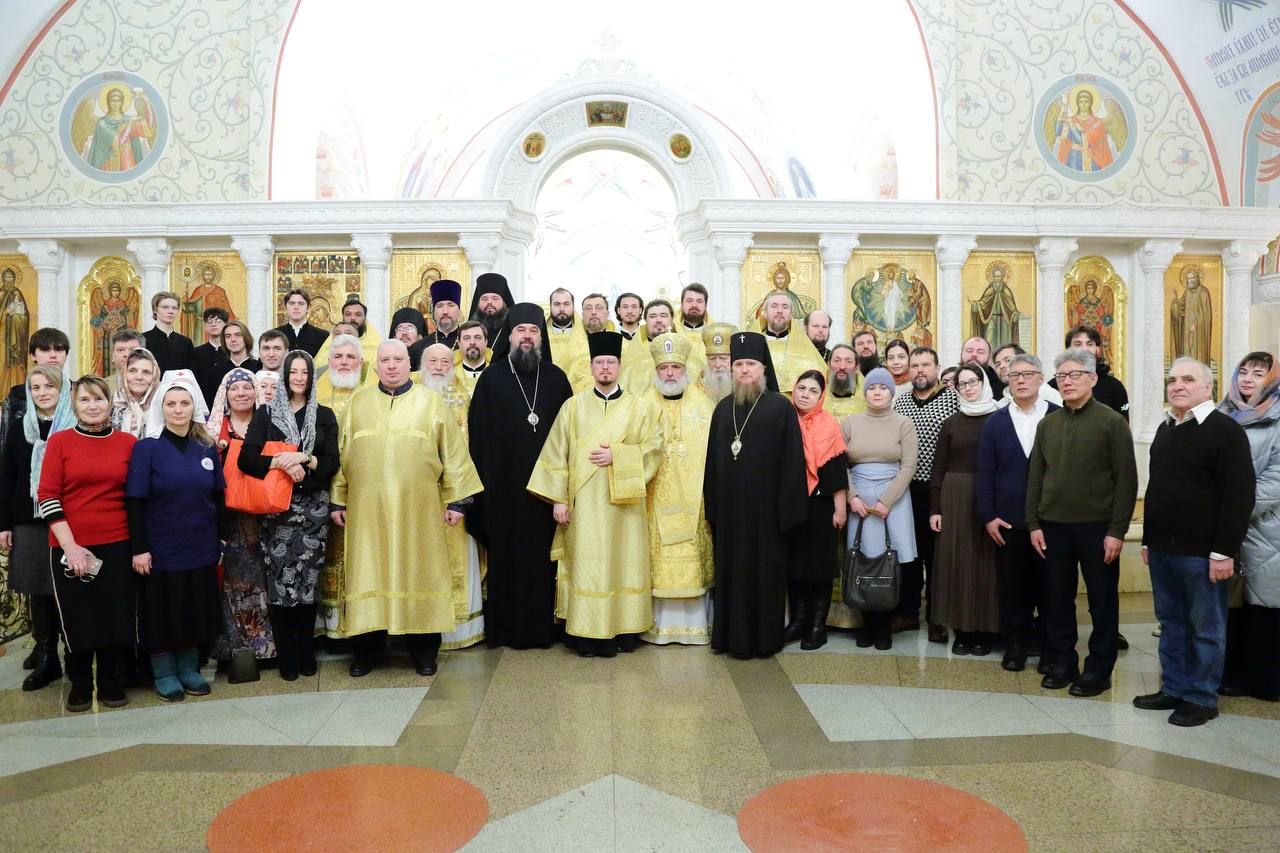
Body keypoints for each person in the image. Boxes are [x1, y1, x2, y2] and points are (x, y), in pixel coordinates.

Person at [331, 340, 483, 676]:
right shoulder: (358, 402)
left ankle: (424, 652)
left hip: (420, 511)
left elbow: (454, 456)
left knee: (421, 571)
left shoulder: (431, 402)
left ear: (408, 363)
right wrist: (338, 498)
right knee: (368, 572)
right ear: (377, 364)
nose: (391, 365)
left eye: (398, 359)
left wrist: (456, 501)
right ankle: (366, 653)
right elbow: (343, 457)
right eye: (384, 360)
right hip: (366, 510)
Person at [1133, 358, 1255, 726]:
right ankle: (1174, 687)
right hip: (1164, 549)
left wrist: (1223, 551)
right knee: (1171, 623)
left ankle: (1201, 697)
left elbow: (1239, 496)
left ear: (1208, 388)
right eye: (1172, 380)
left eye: (1188, 379)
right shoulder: (1166, 428)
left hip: (1203, 554)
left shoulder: (1225, 430)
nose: (1177, 386)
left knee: (1205, 627)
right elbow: (1157, 490)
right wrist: (1149, 539)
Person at [529, 331, 661, 656]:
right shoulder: (572, 407)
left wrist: (619, 455)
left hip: (623, 505)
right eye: (599, 362)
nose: (605, 368)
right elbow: (555, 453)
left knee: (622, 562)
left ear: (619, 367)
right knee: (587, 565)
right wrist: (559, 499)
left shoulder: (640, 408)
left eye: (610, 363)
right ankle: (586, 635)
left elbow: (654, 450)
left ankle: (623, 630)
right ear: (591, 367)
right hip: (584, 506)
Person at [1027, 348, 1137, 696]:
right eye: (1061, 376)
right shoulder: (1048, 424)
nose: (1068, 381)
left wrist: (1117, 530)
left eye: (1075, 375)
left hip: (1098, 527)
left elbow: (1126, 480)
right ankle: (1063, 661)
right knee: (1057, 599)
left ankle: (1098, 670)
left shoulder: (1111, 422)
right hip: (1053, 526)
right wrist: (1033, 524)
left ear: (1092, 378)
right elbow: (1035, 478)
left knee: (1102, 601)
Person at [468, 303, 573, 648]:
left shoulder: (556, 378)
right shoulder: (491, 378)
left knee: (543, 562)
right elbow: (478, 437)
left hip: (545, 494)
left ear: (540, 338)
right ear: (509, 337)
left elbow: (571, 434)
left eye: (533, 332)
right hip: (502, 491)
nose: (527, 337)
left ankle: (546, 630)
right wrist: (483, 489)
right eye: (521, 331)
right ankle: (504, 630)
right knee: (506, 560)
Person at [703, 331, 808, 658]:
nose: (744, 370)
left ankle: (764, 641)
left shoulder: (781, 408)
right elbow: (712, 462)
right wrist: (714, 509)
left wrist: (787, 514)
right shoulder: (722, 409)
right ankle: (728, 638)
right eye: (738, 364)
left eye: (750, 364)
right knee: (731, 576)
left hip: (767, 516)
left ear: (764, 368)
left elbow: (793, 462)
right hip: (732, 515)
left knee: (765, 578)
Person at [37, 375, 138, 712]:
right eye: (85, 400)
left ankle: (110, 680)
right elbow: (48, 497)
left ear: (110, 403)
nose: (93, 406)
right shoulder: (61, 442)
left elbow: (134, 496)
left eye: (99, 399)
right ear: (74, 404)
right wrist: (71, 547)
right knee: (78, 617)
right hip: (69, 544)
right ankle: (80, 682)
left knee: (113, 614)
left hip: (118, 541)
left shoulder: (127, 442)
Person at [239, 351, 339, 681]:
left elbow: (330, 464)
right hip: (277, 511)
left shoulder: (324, 415)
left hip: (312, 510)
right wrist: (282, 461)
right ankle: (287, 655)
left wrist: (304, 460)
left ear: (312, 377)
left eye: (304, 372)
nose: (298, 377)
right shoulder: (266, 414)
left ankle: (306, 651)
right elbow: (247, 460)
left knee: (309, 585)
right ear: (284, 376)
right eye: (293, 372)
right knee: (280, 586)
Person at [126, 370, 222, 701]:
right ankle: (165, 673)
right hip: (160, 548)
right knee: (162, 611)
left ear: (194, 407)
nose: (178, 409)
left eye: (184, 403)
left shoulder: (207, 448)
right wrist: (139, 548)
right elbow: (135, 502)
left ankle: (189, 669)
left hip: (200, 545)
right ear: (161, 408)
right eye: (171, 404)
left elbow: (218, 497)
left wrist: (219, 539)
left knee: (194, 607)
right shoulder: (146, 449)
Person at [976, 353, 1058, 672]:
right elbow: (984, 472)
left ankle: (1051, 649)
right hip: (1007, 520)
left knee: (1050, 587)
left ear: (1041, 378)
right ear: (1007, 382)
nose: (1021, 380)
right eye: (1014, 375)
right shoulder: (995, 422)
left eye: (1028, 374)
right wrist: (988, 516)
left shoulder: (1056, 417)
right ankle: (1015, 645)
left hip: (1050, 521)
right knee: (1013, 588)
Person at [0, 365, 75, 690]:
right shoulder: (20, 428)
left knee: (69, 586)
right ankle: (47, 657)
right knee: (38, 591)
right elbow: (7, 477)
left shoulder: (75, 426)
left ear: (61, 390)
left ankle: (74, 653)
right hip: (29, 519)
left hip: (69, 519)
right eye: (35, 388)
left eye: (49, 386)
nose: (42, 392)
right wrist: (5, 525)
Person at [641, 332, 716, 646]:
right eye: (664, 369)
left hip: (695, 499)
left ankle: (694, 626)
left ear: (685, 370)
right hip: (654, 497)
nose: (669, 373)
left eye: (675, 367)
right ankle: (655, 624)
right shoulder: (642, 404)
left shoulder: (706, 405)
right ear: (655, 372)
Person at [842, 367, 919, 650]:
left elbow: (909, 465)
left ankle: (885, 626)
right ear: (865, 392)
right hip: (860, 499)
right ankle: (867, 625)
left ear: (891, 392)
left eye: (883, 388)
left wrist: (886, 501)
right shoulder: (850, 423)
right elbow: (842, 464)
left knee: (889, 563)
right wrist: (853, 497)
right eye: (872, 387)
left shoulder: (904, 424)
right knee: (863, 560)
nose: (877, 392)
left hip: (893, 499)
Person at [1219, 351, 1280, 701]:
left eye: (1258, 373)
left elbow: (1275, 479)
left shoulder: (1276, 418)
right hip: (1228, 532)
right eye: (1243, 371)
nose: (1247, 379)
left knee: (1264, 608)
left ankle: (1264, 681)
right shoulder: (1220, 415)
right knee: (1230, 607)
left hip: (1267, 528)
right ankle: (1230, 674)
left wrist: (1232, 508)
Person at [205, 368, 276, 663]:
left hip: (264, 516)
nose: (242, 393)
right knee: (233, 583)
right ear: (226, 394)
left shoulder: (269, 424)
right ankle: (236, 649)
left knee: (264, 580)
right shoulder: (213, 430)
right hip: (229, 518)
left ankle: (267, 647)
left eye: (247, 388)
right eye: (235, 389)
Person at [929, 364, 1000, 656]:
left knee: (985, 565)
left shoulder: (999, 419)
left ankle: (984, 630)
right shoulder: (951, 423)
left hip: (989, 497)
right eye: (962, 384)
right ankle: (962, 631)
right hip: (954, 498)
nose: (968, 388)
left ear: (983, 383)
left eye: (973, 382)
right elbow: (939, 468)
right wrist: (935, 509)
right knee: (956, 564)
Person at [892, 346, 958, 641]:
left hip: (939, 492)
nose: (920, 370)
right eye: (915, 365)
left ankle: (936, 617)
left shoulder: (953, 401)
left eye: (926, 365)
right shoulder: (901, 402)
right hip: (905, 491)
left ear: (937, 367)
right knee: (908, 555)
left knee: (936, 558)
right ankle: (907, 613)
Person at [786, 370, 848, 650]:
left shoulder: (829, 425)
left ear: (821, 396)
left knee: (820, 566)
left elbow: (836, 473)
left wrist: (840, 509)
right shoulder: (784, 420)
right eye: (801, 388)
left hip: (821, 506)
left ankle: (817, 626)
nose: (805, 395)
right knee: (794, 564)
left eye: (813, 391)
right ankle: (798, 621)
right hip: (790, 504)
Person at [1049, 324, 1129, 421]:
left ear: (1097, 350)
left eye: (1089, 344)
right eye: (1078, 344)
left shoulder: (1114, 387)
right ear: (1068, 350)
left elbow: (1121, 427)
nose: (1084, 349)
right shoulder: (1054, 385)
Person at [759, 290, 827, 396]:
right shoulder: (755, 343)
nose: (779, 311)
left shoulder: (805, 348)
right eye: (774, 306)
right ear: (765, 313)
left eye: (785, 307)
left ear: (791, 314)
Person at [110, 347, 160, 438]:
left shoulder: (162, 407)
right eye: (132, 371)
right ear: (124, 373)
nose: (139, 377)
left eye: (146, 372)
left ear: (154, 377)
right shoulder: (109, 406)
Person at [143, 291, 194, 373]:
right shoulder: (142, 339)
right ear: (155, 309)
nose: (171, 311)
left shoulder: (185, 342)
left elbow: (190, 373)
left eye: (174, 308)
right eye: (165, 307)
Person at [192, 307, 231, 407]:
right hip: (203, 405)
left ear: (226, 325)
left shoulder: (232, 352)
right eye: (209, 321)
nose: (213, 324)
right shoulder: (196, 353)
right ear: (204, 326)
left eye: (218, 321)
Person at [276, 288, 329, 357]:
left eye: (301, 303)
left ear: (308, 308)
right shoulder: (275, 335)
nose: (296, 307)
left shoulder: (323, 336)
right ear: (285, 307)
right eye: (292, 303)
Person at [468, 272, 515, 348]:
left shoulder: (513, 330)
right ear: (478, 303)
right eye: (484, 298)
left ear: (504, 302)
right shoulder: (468, 331)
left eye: (495, 298)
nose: (489, 302)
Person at [824, 345, 865, 420]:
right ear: (829, 366)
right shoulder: (818, 400)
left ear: (856, 368)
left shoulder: (868, 402)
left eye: (848, 361)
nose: (842, 367)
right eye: (837, 360)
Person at [698, 323, 735, 402]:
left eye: (723, 358)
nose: (717, 365)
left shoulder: (743, 386)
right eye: (712, 358)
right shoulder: (697, 387)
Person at [424, 279, 463, 348]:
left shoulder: (469, 345)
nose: (445, 312)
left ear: (459, 310)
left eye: (450, 305)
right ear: (433, 311)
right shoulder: (420, 347)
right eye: (440, 306)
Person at [105, 329, 145, 395]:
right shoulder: (100, 386)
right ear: (113, 356)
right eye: (120, 350)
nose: (126, 354)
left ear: (144, 354)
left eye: (132, 349)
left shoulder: (158, 387)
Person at [455, 321, 489, 390]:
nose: (472, 342)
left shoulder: (498, 373)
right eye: (466, 338)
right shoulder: (449, 373)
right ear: (459, 343)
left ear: (486, 342)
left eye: (477, 337)